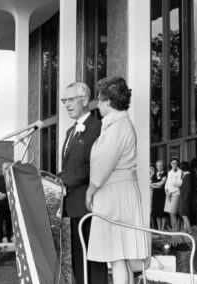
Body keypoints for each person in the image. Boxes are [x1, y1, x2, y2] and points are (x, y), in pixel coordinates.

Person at [85, 76, 148, 284]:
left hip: (115, 193)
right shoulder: (116, 124)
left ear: (107, 102)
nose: (97, 104)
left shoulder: (118, 126)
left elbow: (104, 163)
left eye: (99, 100)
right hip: (118, 191)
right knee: (119, 255)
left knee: (117, 254)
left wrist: (91, 190)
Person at [58, 82, 107, 284]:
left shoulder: (98, 127)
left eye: (71, 100)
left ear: (85, 100)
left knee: (93, 262)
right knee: (78, 261)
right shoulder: (70, 131)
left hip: (88, 206)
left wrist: (62, 180)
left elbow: (94, 166)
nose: (66, 105)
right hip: (71, 207)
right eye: (64, 100)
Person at [164, 156, 182, 231]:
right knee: (170, 213)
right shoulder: (169, 172)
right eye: (172, 163)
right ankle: (173, 230)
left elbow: (179, 183)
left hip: (175, 193)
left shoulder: (180, 171)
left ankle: (176, 229)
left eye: (175, 163)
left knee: (173, 212)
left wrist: (170, 192)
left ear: (177, 163)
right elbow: (167, 183)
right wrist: (166, 191)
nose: (174, 164)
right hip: (168, 193)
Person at [0, 174, 12, 243]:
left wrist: (6, 195)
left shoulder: (11, 177)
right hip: (0, 203)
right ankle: (0, 238)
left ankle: (9, 238)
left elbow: (13, 189)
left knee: (8, 222)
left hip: (8, 203)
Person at [151, 160, 168, 231]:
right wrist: (157, 184)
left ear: (163, 166)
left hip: (162, 195)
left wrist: (154, 184)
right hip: (155, 195)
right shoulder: (154, 173)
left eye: (161, 165)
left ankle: (162, 228)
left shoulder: (165, 173)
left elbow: (162, 184)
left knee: (162, 212)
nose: (159, 167)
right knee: (156, 212)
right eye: (158, 165)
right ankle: (159, 228)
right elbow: (150, 184)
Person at [179, 161, 191, 230]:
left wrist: (186, 197)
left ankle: (189, 229)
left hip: (185, 197)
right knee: (183, 213)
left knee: (184, 214)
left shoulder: (187, 175)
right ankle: (185, 228)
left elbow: (187, 187)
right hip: (183, 196)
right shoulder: (184, 175)